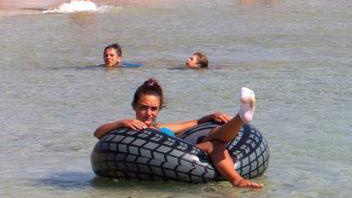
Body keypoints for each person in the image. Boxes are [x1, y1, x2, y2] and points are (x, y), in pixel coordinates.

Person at [93, 79, 262, 189]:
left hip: (187, 154)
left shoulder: (161, 128)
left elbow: (192, 124)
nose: (148, 113)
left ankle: (241, 117)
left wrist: (210, 117)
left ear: (159, 109)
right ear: (135, 107)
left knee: (213, 135)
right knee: (214, 144)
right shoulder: (130, 129)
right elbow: (98, 133)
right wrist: (121, 122)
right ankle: (237, 180)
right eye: (143, 108)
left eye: (154, 109)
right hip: (176, 157)